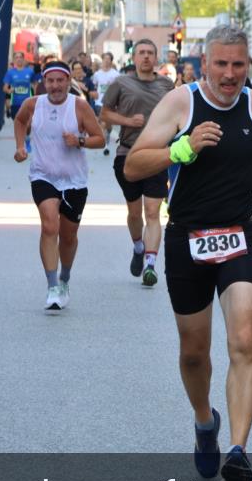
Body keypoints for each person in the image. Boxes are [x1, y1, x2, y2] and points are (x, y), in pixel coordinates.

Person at [124, 25, 252, 481]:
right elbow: (135, 164)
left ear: (248, 64)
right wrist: (184, 147)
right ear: (205, 63)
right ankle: (204, 421)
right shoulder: (181, 103)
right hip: (186, 239)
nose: (230, 74)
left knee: (245, 339)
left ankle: (238, 450)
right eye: (222, 64)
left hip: (239, 235)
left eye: (239, 65)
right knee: (195, 355)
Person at [11, 61, 106, 311]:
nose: (55, 86)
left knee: (68, 235)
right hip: (43, 175)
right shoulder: (33, 104)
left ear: (67, 82)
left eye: (60, 81)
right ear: (44, 83)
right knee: (49, 224)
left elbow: (100, 140)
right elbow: (20, 121)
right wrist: (21, 147)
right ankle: (52, 286)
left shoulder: (80, 106)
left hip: (74, 180)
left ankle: (64, 278)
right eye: (50, 81)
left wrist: (80, 140)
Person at [99, 39, 176, 285]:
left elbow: (179, 113)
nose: (145, 57)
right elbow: (105, 113)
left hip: (156, 154)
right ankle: (138, 246)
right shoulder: (121, 83)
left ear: (156, 58)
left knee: (153, 211)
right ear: (134, 58)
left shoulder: (166, 85)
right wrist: (127, 121)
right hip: (128, 154)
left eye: (150, 53)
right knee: (134, 212)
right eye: (141, 53)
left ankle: (150, 265)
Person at [91, 52, 120, 156]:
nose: (106, 61)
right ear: (102, 60)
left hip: (111, 103)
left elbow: (119, 88)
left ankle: (109, 131)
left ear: (111, 61)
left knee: (108, 125)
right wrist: (93, 94)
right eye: (105, 59)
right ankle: (105, 146)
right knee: (103, 123)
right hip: (99, 102)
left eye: (108, 59)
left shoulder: (115, 74)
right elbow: (93, 86)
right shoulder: (97, 74)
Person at [3, 51, 36, 120]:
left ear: (23, 59)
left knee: (27, 127)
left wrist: (34, 97)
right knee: (17, 125)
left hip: (27, 103)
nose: (19, 59)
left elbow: (34, 85)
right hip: (15, 104)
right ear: (14, 60)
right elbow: (5, 88)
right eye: (16, 57)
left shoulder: (30, 72)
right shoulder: (10, 72)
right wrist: (9, 91)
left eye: (20, 57)